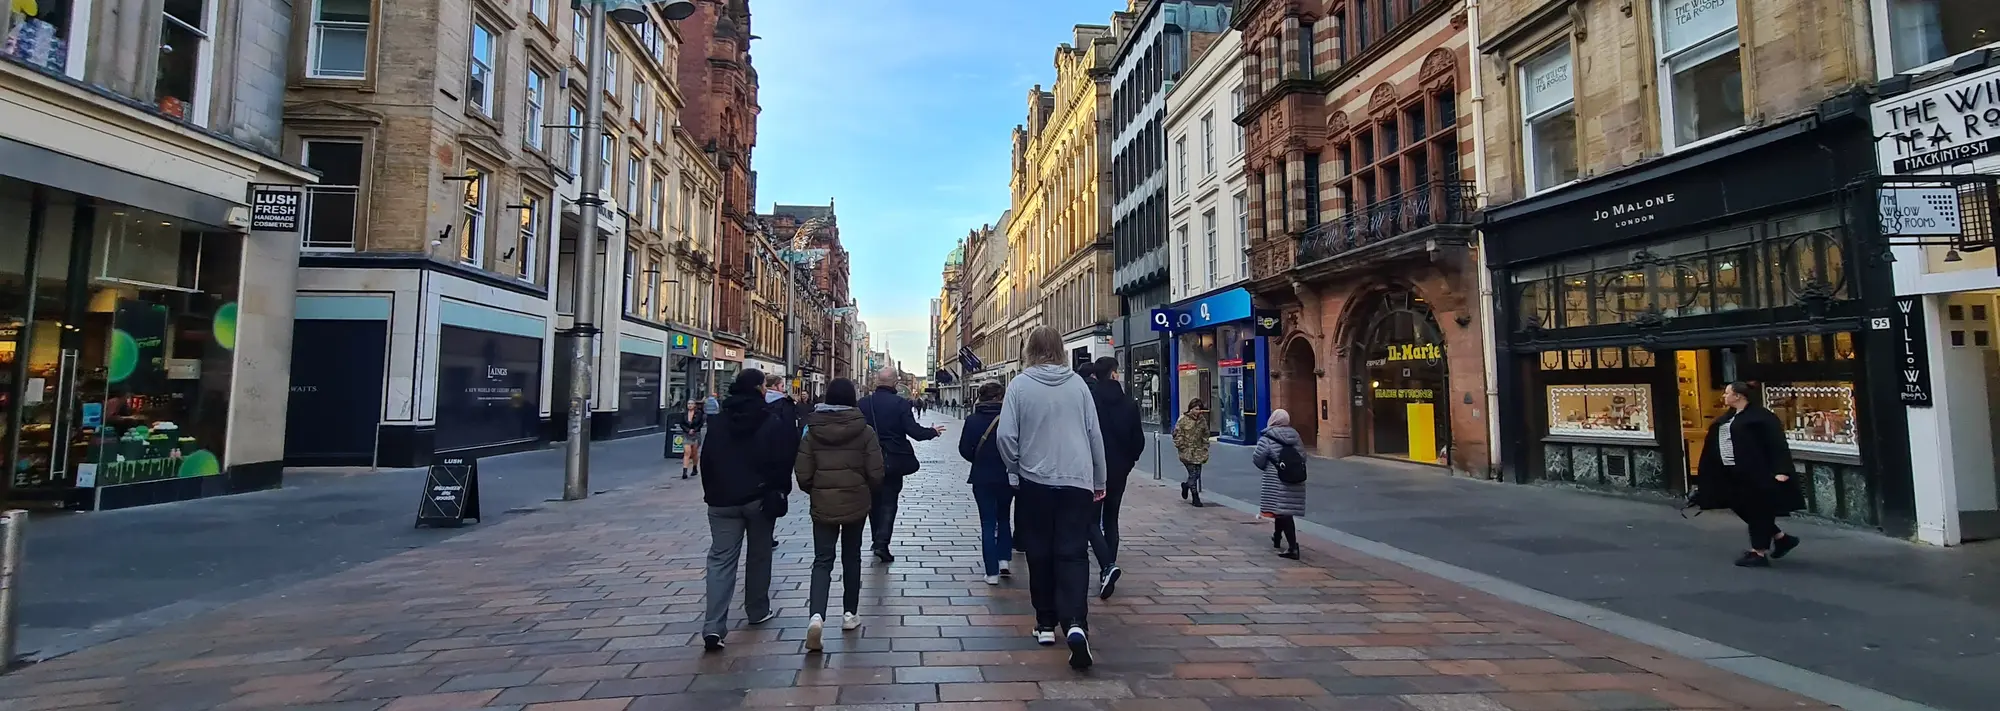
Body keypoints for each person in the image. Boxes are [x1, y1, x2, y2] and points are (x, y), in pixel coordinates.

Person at [997, 325, 1107, 670]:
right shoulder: (1078, 385)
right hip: (1077, 482)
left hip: (1035, 481)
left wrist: (1016, 466)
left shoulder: (1019, 385)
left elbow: (1005, 437)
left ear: (1029, 349)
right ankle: (1076, 623)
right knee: (1073, 554)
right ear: (1060, 349)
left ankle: (1045, 623)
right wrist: (1099, 478)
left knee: (1040, 552)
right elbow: (1094, 434)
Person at [698, 369, 795, 650]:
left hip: (722, 501)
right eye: (764, 385)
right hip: (758, 499)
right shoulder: (770, 420)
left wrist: (712, 492)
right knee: (759, 555)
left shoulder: (717, 422)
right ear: (757, 389)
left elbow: (708, 460)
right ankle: (757, 610)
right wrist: (779, 491)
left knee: (720, 560)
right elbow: (780, 461)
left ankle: (713, 626)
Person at [795, 378, 883, 652]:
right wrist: (865, 488)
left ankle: (817, 616)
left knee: (822, 559)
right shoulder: (865, 430)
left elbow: (802, 473)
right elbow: (877, 472)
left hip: (823, 504)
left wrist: (817, 490)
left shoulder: (811, 430)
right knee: (851, 556)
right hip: (856, 502)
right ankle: (849, 614)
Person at [1692, 381, 1804, 567]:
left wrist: (1781, 470)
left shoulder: (1761, 418)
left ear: (1738, 396)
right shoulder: (1728, 417)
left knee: (1758, 509)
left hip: (1757, 472)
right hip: (1732, 472)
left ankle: (1758, 553)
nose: (1724, 396)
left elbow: (1777, 444)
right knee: (1738, 503)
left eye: (1727, 393)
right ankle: (1781, 538)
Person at [859, 368, 943, 562]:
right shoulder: (899, 403)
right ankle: (882, 543)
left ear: (876, 382)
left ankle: (875, 539)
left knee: (874, 503)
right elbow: (912, 431)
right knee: (889, 502)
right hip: (894, 460)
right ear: (895, 383)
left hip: (868, 460)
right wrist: (932, 432)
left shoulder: (863, 403)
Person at [1081, 356, 1143, 600]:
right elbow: (1138, 440)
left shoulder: (1090, 401)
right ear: (1114, 373)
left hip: (1094, 469)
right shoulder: (1129, 403)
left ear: (1096, 375)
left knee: (1090, 521)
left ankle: (1107, 566)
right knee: (1112, 519)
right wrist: (1128, 463)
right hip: (1119, 470)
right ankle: (1108, 568)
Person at [959, 382, 1012, 585]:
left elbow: (964, 448)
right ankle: (1004, 560)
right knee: (1005, 518)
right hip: (1007, 475)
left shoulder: (972, 420)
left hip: (982, 476)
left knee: (988, 523)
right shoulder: (1010, 417)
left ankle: (991, 573)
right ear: (1000, 397)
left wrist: (978, 459)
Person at [1253, 409, 1306, 561]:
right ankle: (1277, 537)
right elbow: (1303, 456)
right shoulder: (1295, 436)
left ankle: (1292, 547)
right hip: (1294, 479)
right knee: (1282, 509)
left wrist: (1269, 467)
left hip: (1276, 479)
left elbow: (1258, 459)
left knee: (1283, 512)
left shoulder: (1267, 437)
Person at [1173, 399, 1212, 507]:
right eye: (1196, 409)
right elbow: (1177, 434)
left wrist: (1205, 446)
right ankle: (1195, 497)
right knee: (1193, 473)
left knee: (1197, 474)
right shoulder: (1183, 419)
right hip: (1187, 451)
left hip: (1199, 451)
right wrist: (1182, 446)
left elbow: (1205, 433)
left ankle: (1186, 486)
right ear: (1191, 409)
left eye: (1200, 409)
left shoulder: (1202, 420)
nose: (1199, 411)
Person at [676, 400, 706, 479]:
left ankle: (695, 468)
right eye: (688, 404)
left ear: (695, 405)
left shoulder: (699, 413)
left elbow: (701, 423)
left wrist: (694, 430)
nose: (690, 405)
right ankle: (684, 472)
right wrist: (687, 430)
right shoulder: (684, 414)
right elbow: (681, 423)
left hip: (696, 434)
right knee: (687, 452)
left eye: (691, 404)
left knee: (694, 453)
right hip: (686, 434)